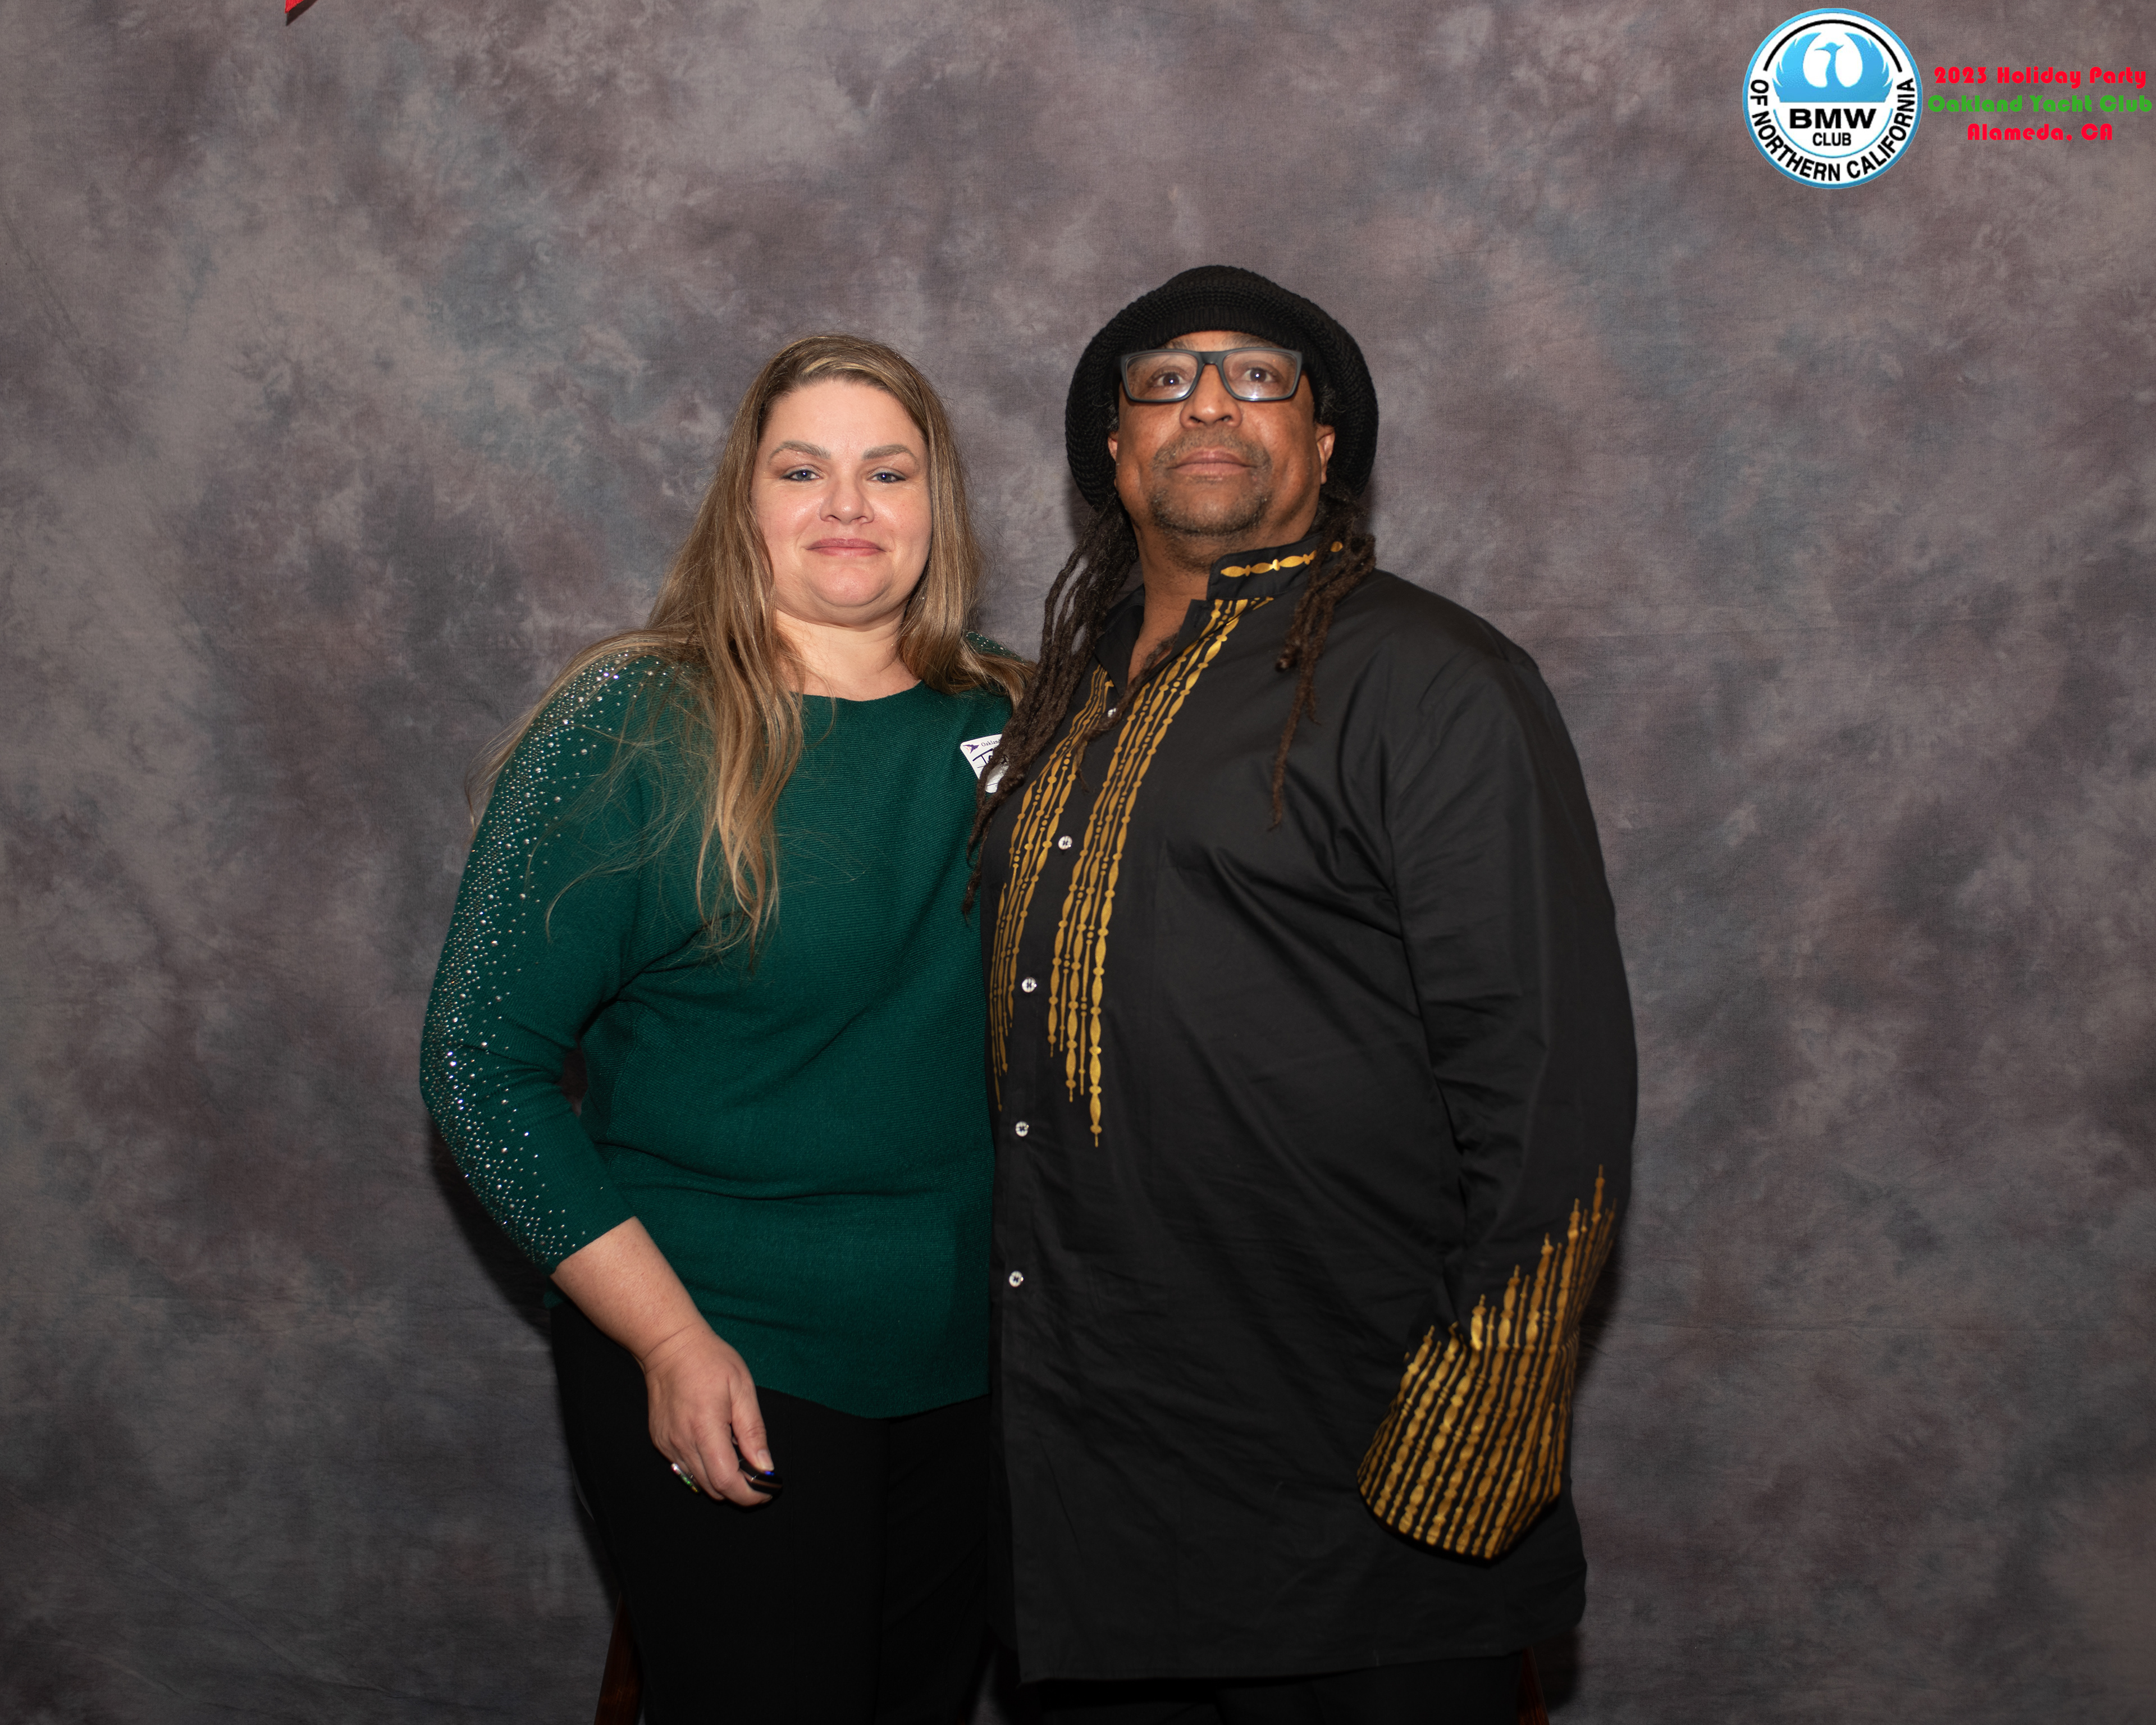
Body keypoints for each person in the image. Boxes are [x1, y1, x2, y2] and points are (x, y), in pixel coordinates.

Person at [969, 266, 1637, 1723]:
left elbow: (1553, 1090)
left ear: (1324, 446)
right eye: (1165, 380)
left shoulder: (1434, 679)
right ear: (1113, 451)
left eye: (1259, 377)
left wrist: (1464, 1448)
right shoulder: (1064, 699)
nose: (1210, 404)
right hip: (1090, 1507)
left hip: (1360, 1512)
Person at [420, 334, 1024, 1723]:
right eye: (801, 471)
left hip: (970, 1369)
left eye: (889, 471)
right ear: (741, 504)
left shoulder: (1021, 717)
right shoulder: (631, 723)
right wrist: (670, 1344)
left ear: (938, 505)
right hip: (726, 1344)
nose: (848, 505)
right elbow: (476, 1066)